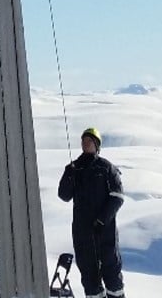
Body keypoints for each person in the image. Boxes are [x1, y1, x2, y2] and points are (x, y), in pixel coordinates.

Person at [58, 127, 125, 298]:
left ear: (97, 145)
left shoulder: (106, 168)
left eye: (89, 141)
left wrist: (102, 220)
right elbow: (64, 195)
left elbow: (117, 197)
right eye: (83, 141)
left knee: (112, 277)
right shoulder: (74, 168)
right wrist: (69, 175)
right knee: (89, 279)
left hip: (105, 233)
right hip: (83, 233)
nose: (85, 144)